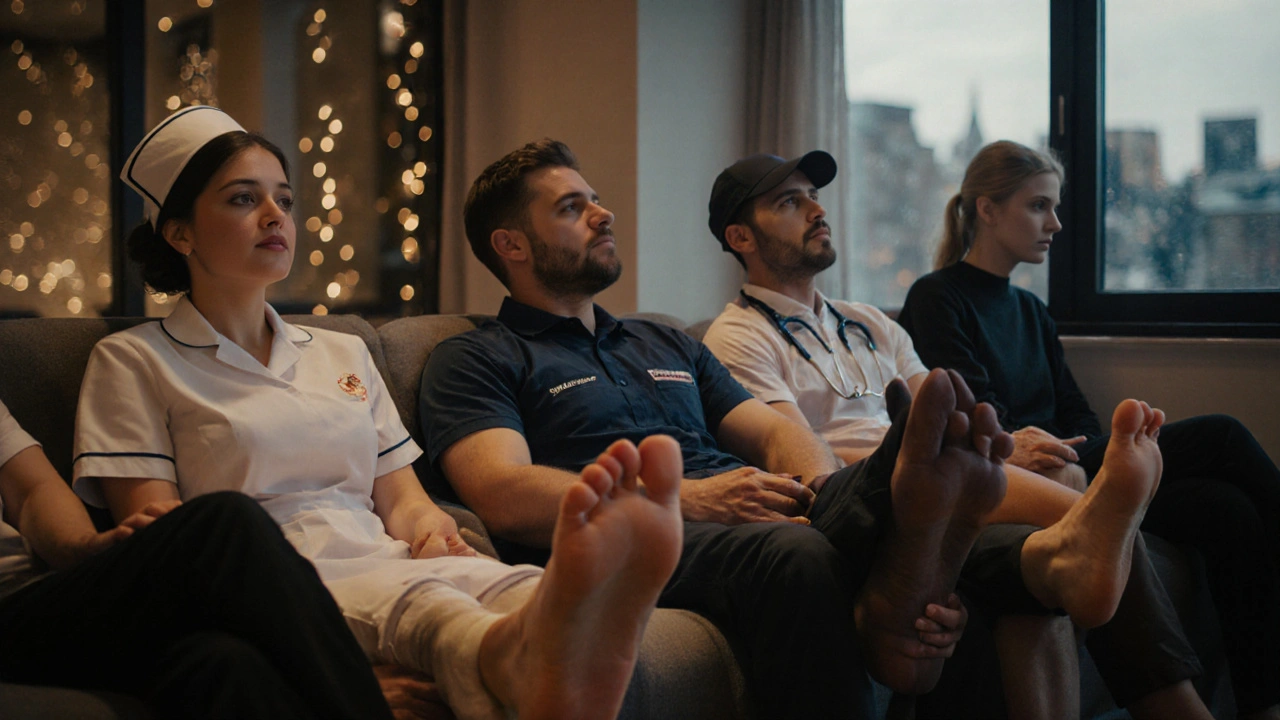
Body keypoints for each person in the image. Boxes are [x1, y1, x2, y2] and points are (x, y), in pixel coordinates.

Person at [418, 138, 1169, 719]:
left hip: (760, 507)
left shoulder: (663, 342)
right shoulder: (479, 355)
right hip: (651, 532)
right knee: (799, 552)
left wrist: (827, 492)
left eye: (596, 199)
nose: (603, 213)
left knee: (967, 550)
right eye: (571, 208)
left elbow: (772, 434)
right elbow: (503, 490)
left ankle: (929, 523)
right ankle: (926, 480)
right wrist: (686, 501)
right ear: (510, 246)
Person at [70, 106, 684, 720]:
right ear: (180, 234)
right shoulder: (133, 361)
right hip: (271, 582)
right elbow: (168, 547)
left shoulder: (342, 351)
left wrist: (431, 532)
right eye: (241, 199)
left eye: (283, 200)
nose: (274, 216)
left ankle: (574, 624)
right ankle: (498, 659)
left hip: (379, 555)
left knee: (520, 592)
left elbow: (402, 498)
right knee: (436, 613)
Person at [699, 150, 1220, 719]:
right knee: (1089, 510)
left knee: (1057, 490)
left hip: (942, 482)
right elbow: (800, 453)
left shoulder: (871, 322)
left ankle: (1086, 535)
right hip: (871, 499)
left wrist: (989, 442)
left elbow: (947, 408)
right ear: (740, 236)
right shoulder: (736, 337)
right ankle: (1104, 545)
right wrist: (921, 446)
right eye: (789, 202)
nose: (816, 210)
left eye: (814, 196)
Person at [899, 139, 1280, 720]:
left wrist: (1079, 441)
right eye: (1038, 206)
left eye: (1055, 207)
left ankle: (1262, 705)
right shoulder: (936, 298)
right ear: (987, 209)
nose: (1054, 222)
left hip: (1075, 456)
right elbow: (986, 419)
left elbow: (1078, 413)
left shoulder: (1031, 310)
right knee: (1222, 436)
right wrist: (1063, 445)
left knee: (1227, 508)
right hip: (1026, 468)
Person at [0, 398, 397, 719]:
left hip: (32, 594)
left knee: (224, 664)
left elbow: (31, 490)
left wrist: (86, 547)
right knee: (225, 523)